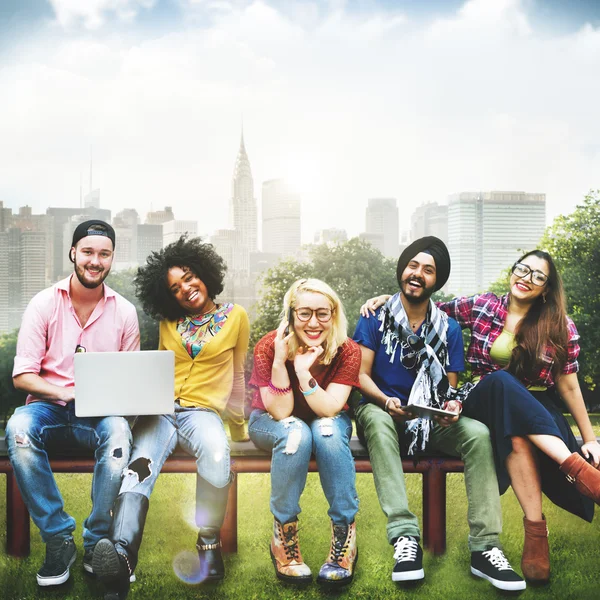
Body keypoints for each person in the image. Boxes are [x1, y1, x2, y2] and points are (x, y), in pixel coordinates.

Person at [361, 249, 600, 584]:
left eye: (537, 276)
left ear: (546, 288)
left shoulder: (559, 326)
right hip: (482, 396)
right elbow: (428, 307)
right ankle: (580, 472)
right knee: (501, 380)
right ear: (512, 271)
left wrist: (590, 439)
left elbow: (571, 388)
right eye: (522, 269)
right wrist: (393, 298)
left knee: (516, 432)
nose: (526, 278)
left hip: (536, 409)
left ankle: (535, 535)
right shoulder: (484, 306)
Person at [354, 236, 525, 591]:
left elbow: (448, 386)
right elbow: (360, 375)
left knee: (477, 433)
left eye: (428, 270)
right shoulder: (375, 316)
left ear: (437, 280)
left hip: (426, 422)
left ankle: (485, 547)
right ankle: (405, 538)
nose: (418, 274)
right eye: (413, 266)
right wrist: (386, 400)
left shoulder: (447, 328)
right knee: (374, 416)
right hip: (383, 413)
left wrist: (450, 407)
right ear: (402, 270)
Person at [92, 236, 249, 599]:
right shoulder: (168, 323)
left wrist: (238, 427)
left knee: (215, 450)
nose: (186, 289)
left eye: (190, 277)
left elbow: (238, 374)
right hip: (161, 412)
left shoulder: (236, 316)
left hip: (202, 412)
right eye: (175, 288)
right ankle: (120, 559)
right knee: (139, 466)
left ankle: (208, 544)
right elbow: (158, 370)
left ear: (205, 274)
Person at [6, 220, 140, 587]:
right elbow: (23, 377)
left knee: (117, 432)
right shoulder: (43, 303)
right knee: (18, 428)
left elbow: (130, 380)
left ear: (112, 258)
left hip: (98, 415)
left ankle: (98, 542)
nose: (95, 261)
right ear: (73, 253)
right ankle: (58, 539)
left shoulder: (125, 312)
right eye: (88, 252)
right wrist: (65, 392)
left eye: (104, 254)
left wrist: (117, 401)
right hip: (48, 408)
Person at [248, 278, 361, 588]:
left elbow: (330, 408)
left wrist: (303, 372)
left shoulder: (347, 350)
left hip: (326, 417)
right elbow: (281, 412)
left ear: (334, 314)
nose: (313, 322)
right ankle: (283, 537)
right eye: (305, 313)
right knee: (295, 432)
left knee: (325, 430)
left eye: (323, 314)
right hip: (270, 420)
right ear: (291, 314)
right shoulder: (270, 345)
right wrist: (283, 362)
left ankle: (344, 537)